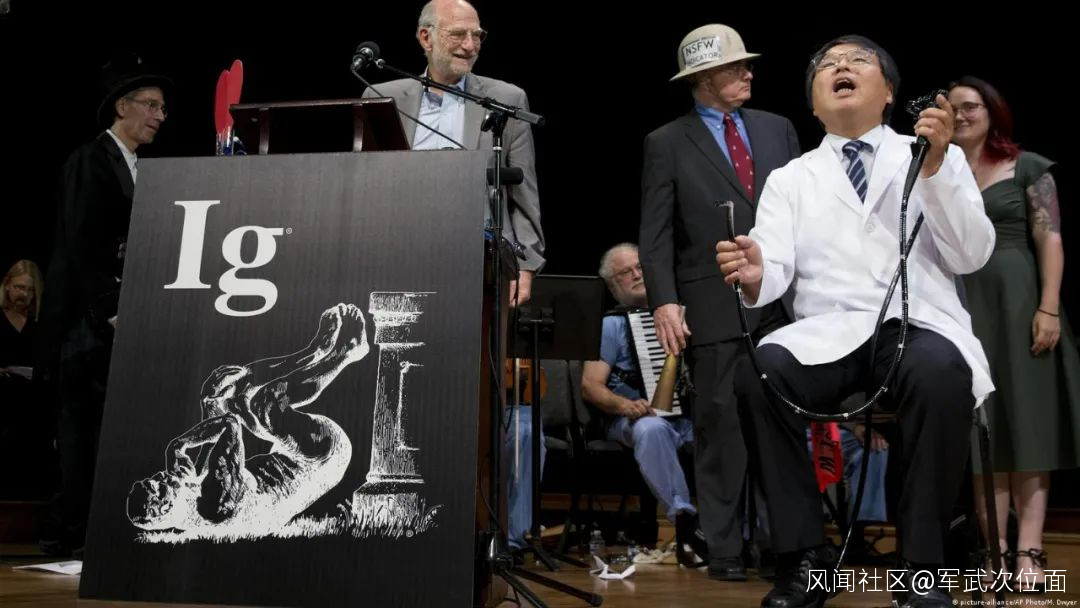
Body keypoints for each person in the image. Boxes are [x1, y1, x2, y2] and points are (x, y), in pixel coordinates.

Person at [718, 35, 994, 608]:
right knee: (758, 373)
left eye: (858, 60)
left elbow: (971, 254)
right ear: (814, 104)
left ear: (888, 92)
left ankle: (923, 568)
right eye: (827, 64)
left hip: (916, 323)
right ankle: (803, 559)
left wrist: (935, 171)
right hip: (829, 330)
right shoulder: (790, 178)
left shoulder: (934, 155)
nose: (841, 66)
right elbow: (773, 266)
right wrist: (756, 270)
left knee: (940, 373)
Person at [639, 23, 800, 580]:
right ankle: (726, 550)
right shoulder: (666, 142)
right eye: (736, 67)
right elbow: (656, 234)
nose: (749, 74)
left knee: (782, 428)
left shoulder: (778, 129)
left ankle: (787, 547)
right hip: (712, 307)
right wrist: (664, 302)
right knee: (721, 432)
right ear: (705, 78)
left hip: (780, 304)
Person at [948, 75, 1080, 592]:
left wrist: (1048, 308)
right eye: (953, 108)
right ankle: (994, 553)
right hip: (965, 309)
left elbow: (1050, 240)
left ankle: (1029, 553)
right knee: (983, 435)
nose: (961, 115)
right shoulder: (941, 172)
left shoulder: (1027, 167)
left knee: (1027, 430)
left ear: (992, 111)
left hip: (1021, 305)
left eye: (971, 106)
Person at [37, 54, 171, 554]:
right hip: (86, 322)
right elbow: (81, 244)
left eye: (163, 108)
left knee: (107, 429)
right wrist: (110, 308)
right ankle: (68, 533)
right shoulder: (89, 160)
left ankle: (97, 532)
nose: (160, 116)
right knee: (80, 428)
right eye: (151, 105)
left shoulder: (143, 169)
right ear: (122, 106)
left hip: (119, 316)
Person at [128, 304, 368, 538]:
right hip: (323, 455)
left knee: (231, 396)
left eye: (152, 479)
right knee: (267, 404)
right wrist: (177, 444)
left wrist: (209, 403)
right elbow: (229, 425)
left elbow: (212, 444)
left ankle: (313, 352)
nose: (159, 477)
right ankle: (345, 353)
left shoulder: (189, 499)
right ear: (165, 508)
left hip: (290, 456)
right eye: (157, 486)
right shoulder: (217, 501)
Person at [361, 0, 543, 306]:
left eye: (477, 36)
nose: (470, 46)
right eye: (458, 34)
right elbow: (366, 187)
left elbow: (524, 192)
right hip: (396, 255)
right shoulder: (382, 96)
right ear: (426, 37)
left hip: (480, 262)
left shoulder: (506, 99)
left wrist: (527, 263)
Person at [581, 243, 706, 566]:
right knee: (651, 429)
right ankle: (685, 520)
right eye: (626, 272)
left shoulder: (684, 314)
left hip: (688, 419)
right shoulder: (611, 324)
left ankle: (746, 532)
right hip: (633, 419)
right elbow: (590, 386)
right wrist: (626, 405)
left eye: (640, 267)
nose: (637, 275)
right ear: (612, 286)